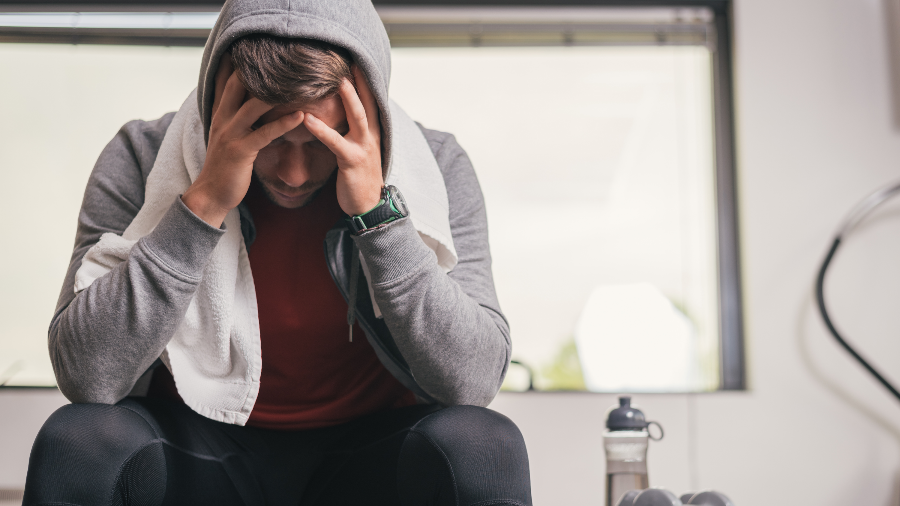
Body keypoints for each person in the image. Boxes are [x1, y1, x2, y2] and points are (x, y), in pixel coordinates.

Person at [22, 1, 532, 505]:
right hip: (198, 446)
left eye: (320, 144)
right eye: (266, 137)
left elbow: (473, 380)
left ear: (368, 114)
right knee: (79, 441)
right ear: (216, 103)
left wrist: (380, 217)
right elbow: (86, 376)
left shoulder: (435, 167)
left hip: (371, 450)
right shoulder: (141, 155)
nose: (294, 174)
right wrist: (201, 206)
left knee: (484, 444)